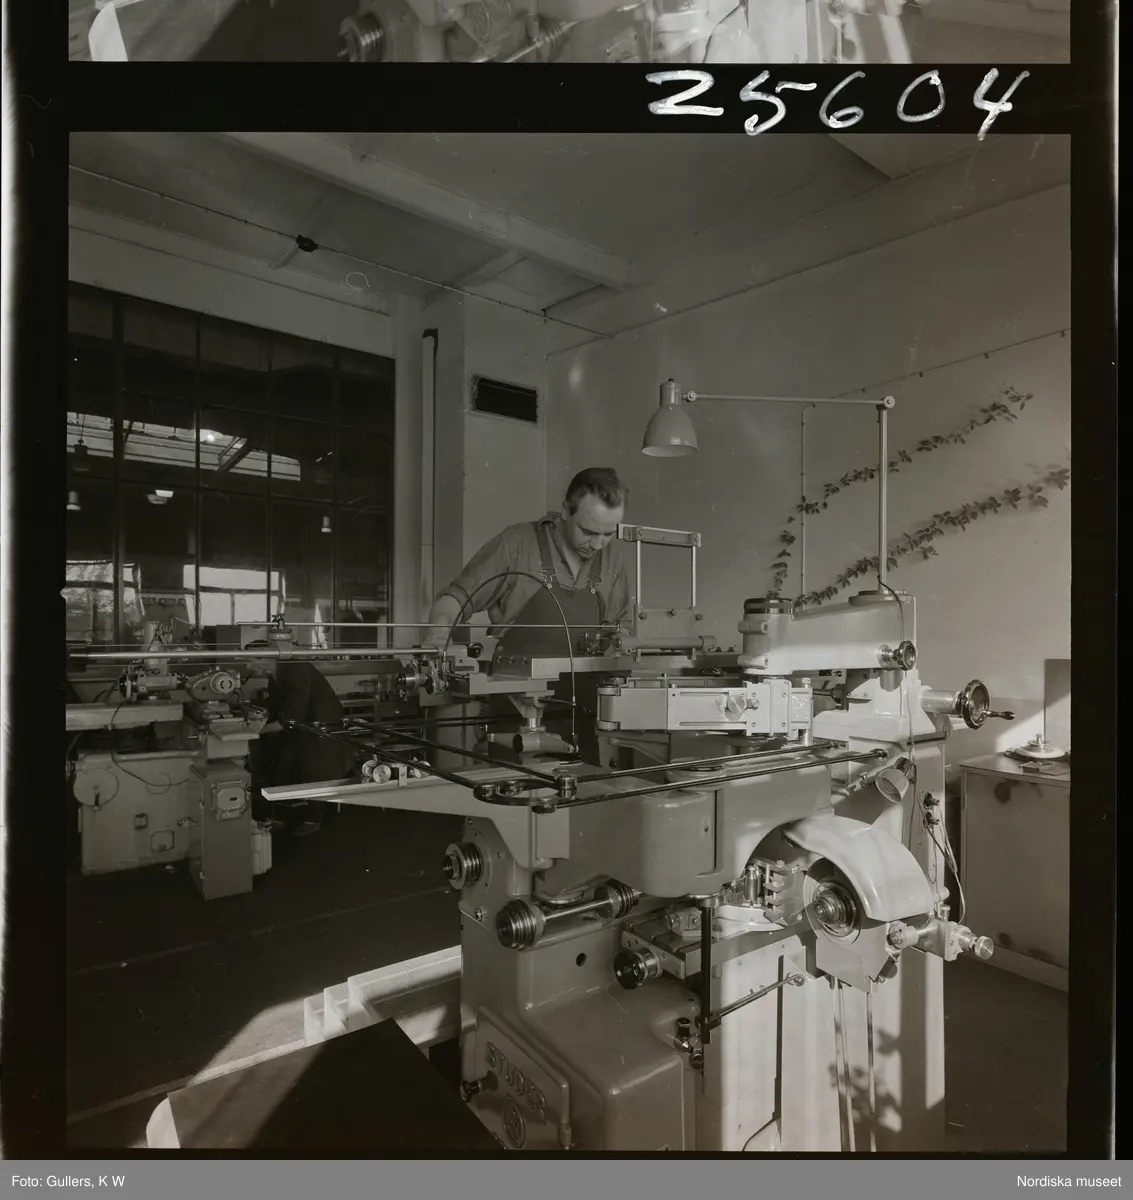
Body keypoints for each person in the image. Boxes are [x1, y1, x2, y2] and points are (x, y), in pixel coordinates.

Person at [421, 467, 633, 759]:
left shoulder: (612, 560)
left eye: (608, 534)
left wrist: (623, 644)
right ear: (565, 511)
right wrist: (437, 637)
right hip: (513, 717)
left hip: (578, 717)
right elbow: (455, 598)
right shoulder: (517, 544)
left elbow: (622, 629)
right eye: (588, 532)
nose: (597, 544)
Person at [245, 642, 357, 836]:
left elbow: (293, 717)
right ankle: (280, 816)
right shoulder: (276, 674)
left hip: (320, 729)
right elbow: (275, 704)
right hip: (302, 728)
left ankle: (313, 820)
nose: (247, 666)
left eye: (250, 660)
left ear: (265, 657)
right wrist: (255, 713)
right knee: (284, 767)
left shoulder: (295, 671)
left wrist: (256, 731)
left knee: (315, 772)